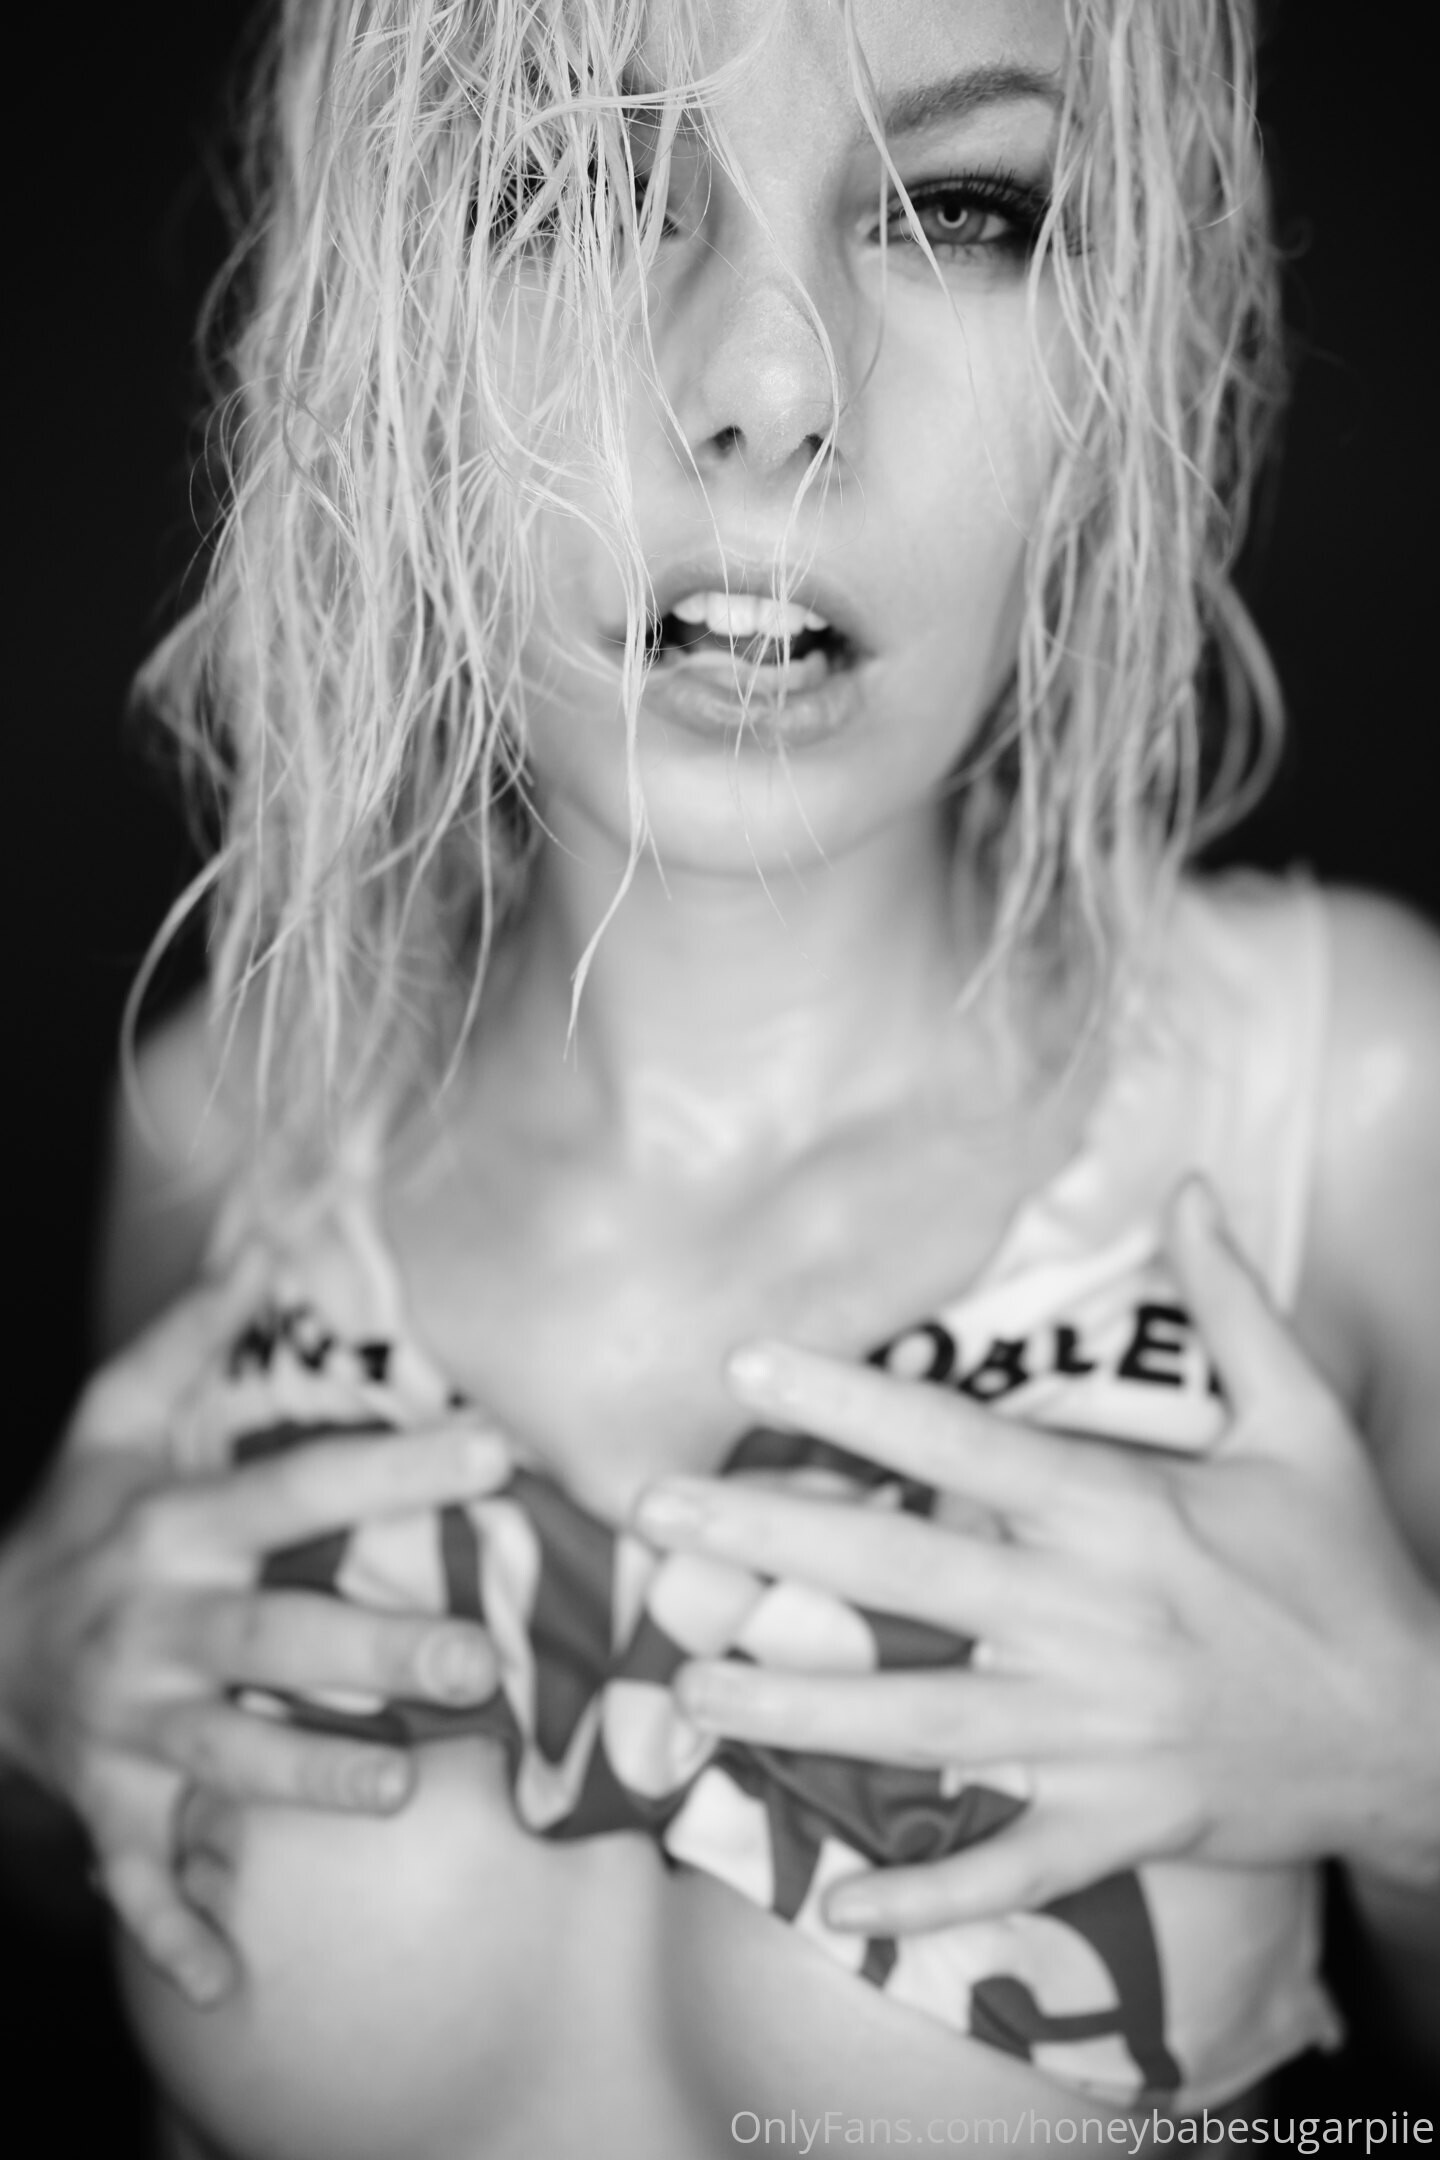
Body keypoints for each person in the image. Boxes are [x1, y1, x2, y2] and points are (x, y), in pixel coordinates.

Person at [1, 0, 1438, 2151]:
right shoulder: (233, 1122)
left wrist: (1408, 1780)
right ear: (384, 318)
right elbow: (66, 1907)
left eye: (965, 209)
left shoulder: (1349, 1102)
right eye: (580, 188)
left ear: (1129, 332)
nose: (771, 383)